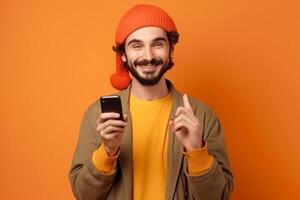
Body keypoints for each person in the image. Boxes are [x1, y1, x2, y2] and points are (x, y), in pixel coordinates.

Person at [69, 4, 233, 200]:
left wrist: (197, 151)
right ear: (123, 54)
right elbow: (83, 195)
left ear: (171, 48)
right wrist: (107, 151)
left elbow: (220, 196)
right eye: (137, 45)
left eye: (158, 44)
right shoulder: (99, 116)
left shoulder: (201, 116)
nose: (148, 56)